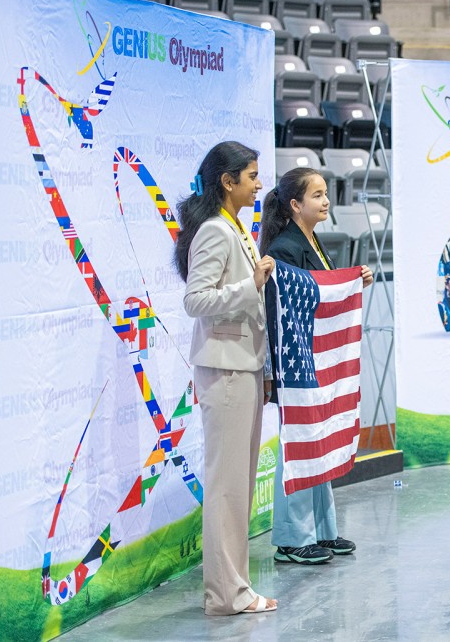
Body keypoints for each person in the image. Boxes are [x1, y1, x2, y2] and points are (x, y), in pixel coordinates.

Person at [175, 141, 277, 615]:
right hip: (227, 369)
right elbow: (195, 301)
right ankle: (225, 594)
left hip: (245, 366)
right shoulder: (216, 231)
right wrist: (249, 285)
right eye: (252, 176)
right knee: (225, 487)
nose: (259, 184)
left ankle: (236, 587)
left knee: (236, 484)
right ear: (227, 181)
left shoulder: (236, 228)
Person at [258, 167, 373, 566]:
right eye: (318, 195)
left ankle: (321, 531)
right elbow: (291, 302)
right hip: (296, 356)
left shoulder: (312, 241)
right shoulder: (285, 249)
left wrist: (355, 282)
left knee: (318, 439)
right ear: (295, 205)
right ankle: (291, 538)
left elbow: (323, 293)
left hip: (316, 357)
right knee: (299, 444)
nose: (326, 201)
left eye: (326, 193)